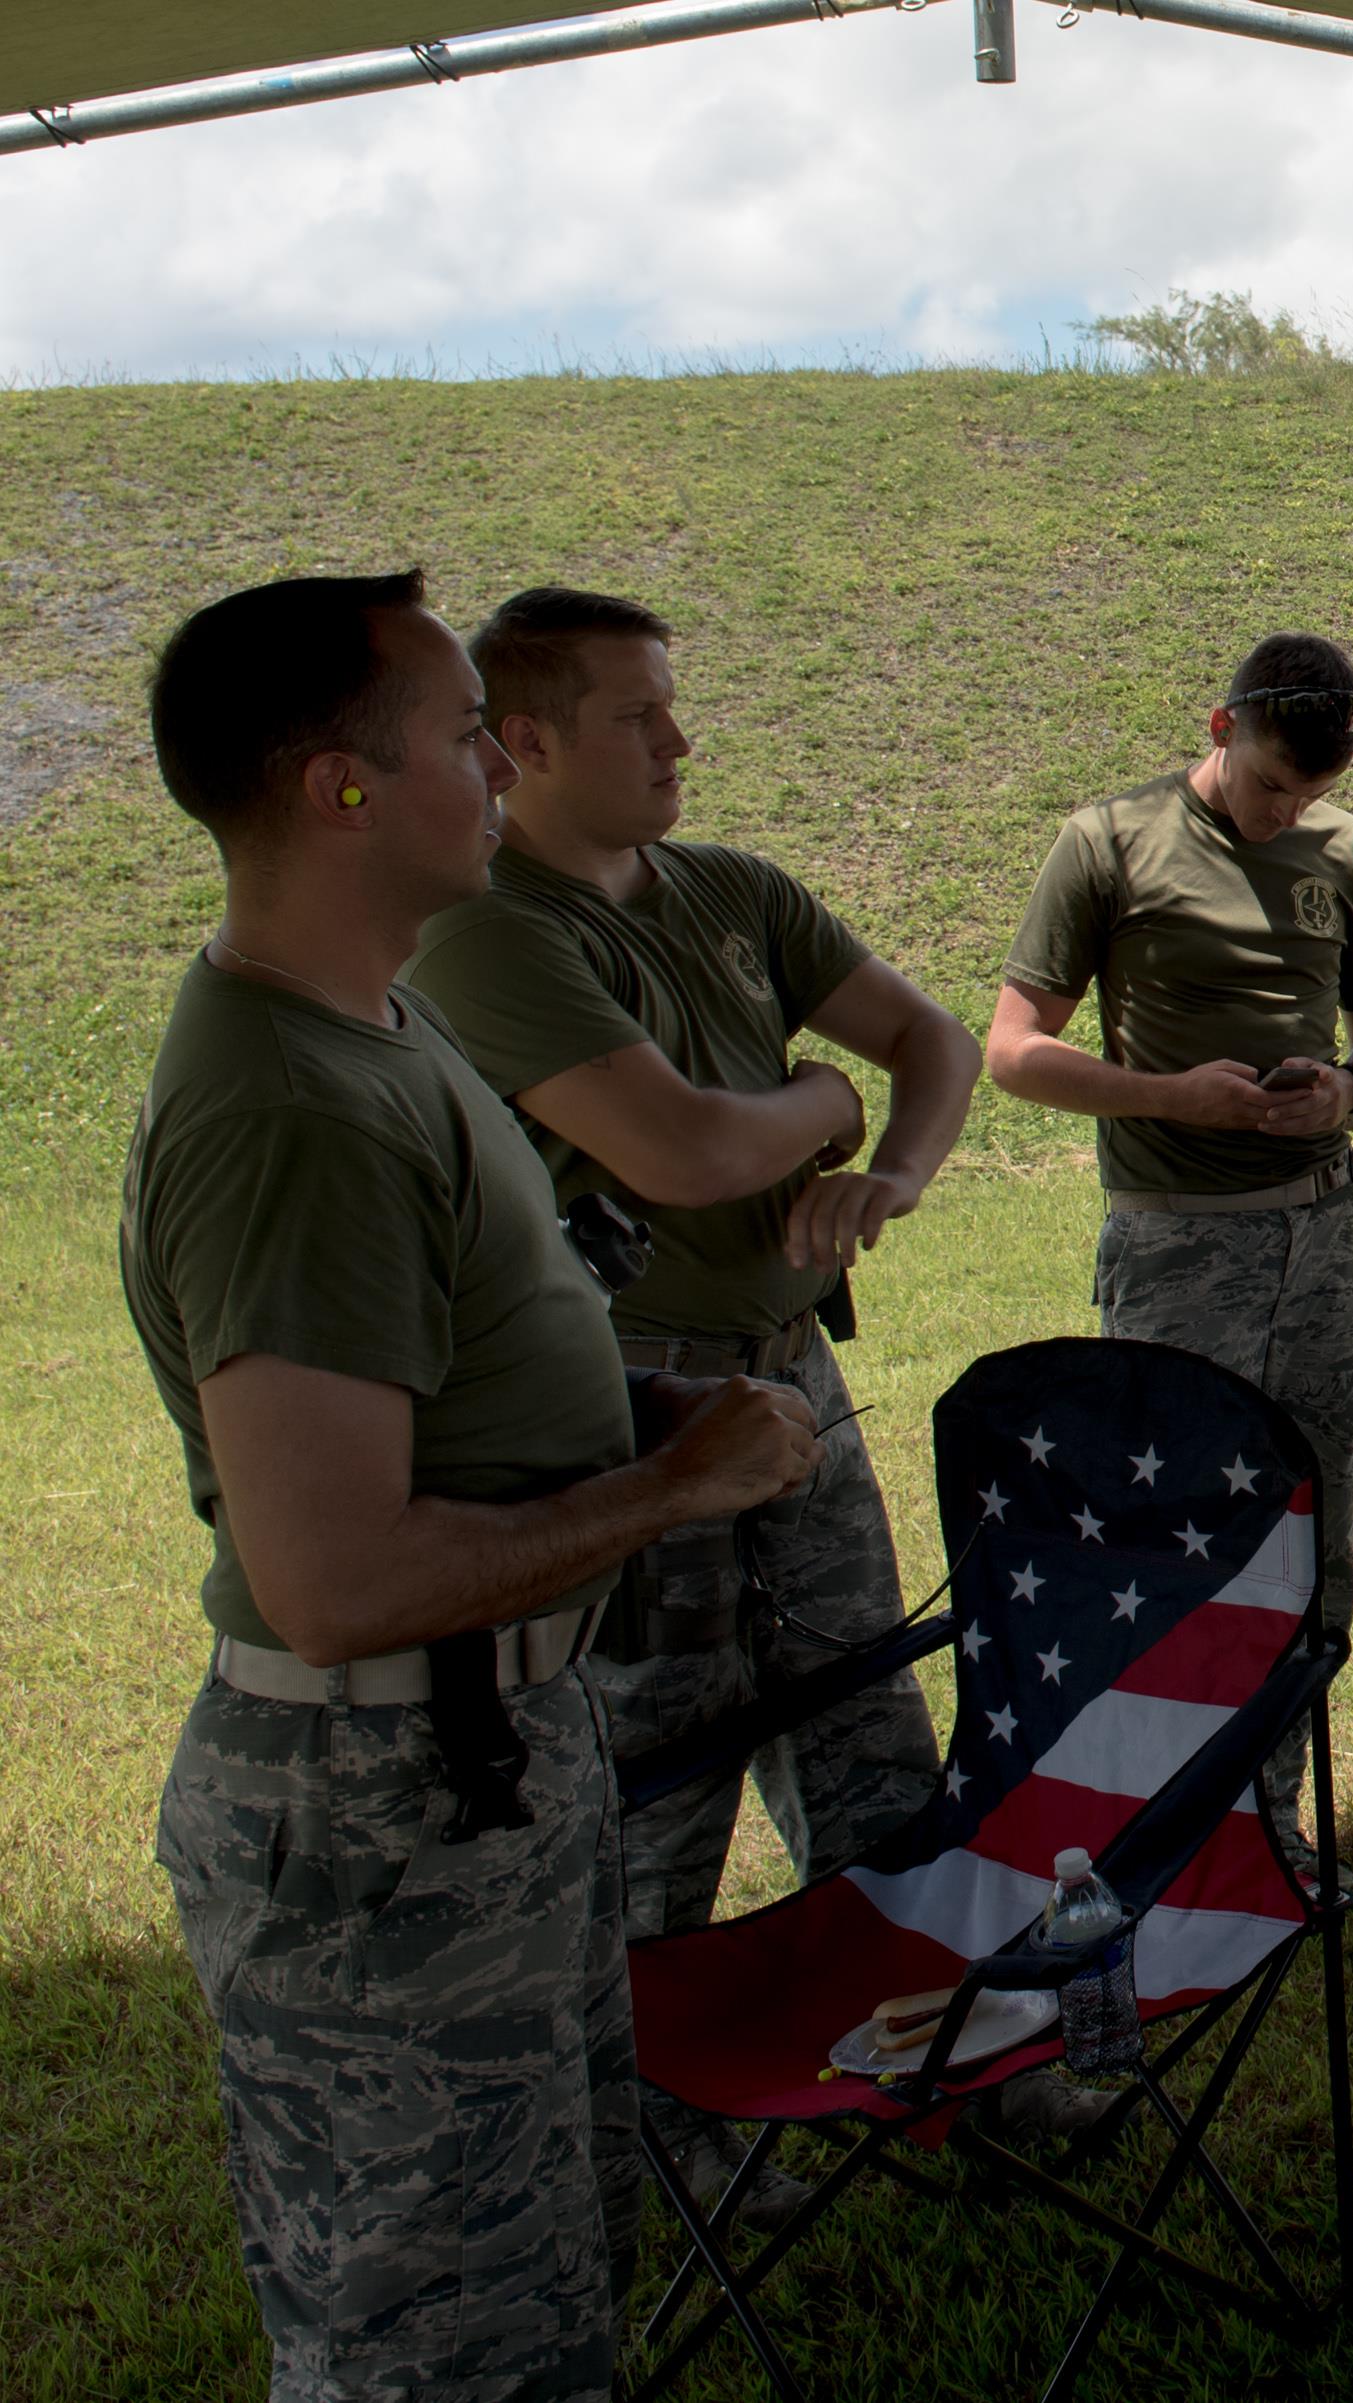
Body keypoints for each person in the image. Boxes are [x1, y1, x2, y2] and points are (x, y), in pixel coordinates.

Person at [124, 573, 821, 2398]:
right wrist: (668, 1495)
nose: (497, 773)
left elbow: (457, 1371)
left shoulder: (384, 1018)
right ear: (339, 786)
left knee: (533, 2303)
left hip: (483, 1769)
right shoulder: (292, 1107)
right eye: (455, 737)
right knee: (436, 2349)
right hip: (385, 1802)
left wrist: (648, 1402)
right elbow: (333, 1576)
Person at [402, 585, 986, 2205]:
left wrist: (897, 1172)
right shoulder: (489, 928)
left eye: (674, 704)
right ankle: (654, 2142)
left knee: (866, 1734)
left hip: (792, 1386)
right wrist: (824, 1098)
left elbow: (932, 1037)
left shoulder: (731, 891)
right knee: (649, 1782)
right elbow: (676, 1147)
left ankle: (915, 2068)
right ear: (522, 744)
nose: (680, 737)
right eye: (635, 714)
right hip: (617, 1420)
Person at [988, 631, 1353, 1880]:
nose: (1287, 816)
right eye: (1272, 786)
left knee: (1315, 1532)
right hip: (1179, 1246)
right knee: (1177, 1533)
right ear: (1221, 730)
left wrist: (1342, 1087)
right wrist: (1171, 1096)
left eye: (1310, 798)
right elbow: (1015, 1052)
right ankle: (1165, 1834)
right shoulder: (1109, 843)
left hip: (1320, 1236)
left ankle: (1269, 1821)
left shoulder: (1343, 854)